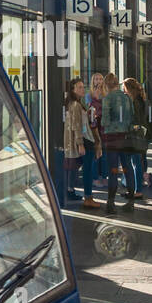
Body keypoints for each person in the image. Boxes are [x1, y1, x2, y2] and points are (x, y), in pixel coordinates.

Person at [100, 73, 137, 214]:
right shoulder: (127, 98)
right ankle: (131, 202)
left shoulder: (107, 99)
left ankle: (111, 203)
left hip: (112, 139)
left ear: (106, 85)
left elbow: (105, 122)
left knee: (113, 170)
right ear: (117, 84)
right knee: (127, 168)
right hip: (126, 138)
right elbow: (132, 116)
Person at [61, 78, 100, 209]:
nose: (83, 89)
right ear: (73, 90)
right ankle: (88, 198)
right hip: (84, 140)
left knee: (86, 169)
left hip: (84, 138)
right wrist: (80, 143)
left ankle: (86, 196)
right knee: (87, 170)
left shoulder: (77, 103)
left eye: (83, 87)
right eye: (79, 87)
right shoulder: (76, 105)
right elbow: (76, 126)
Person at [123, 77, 151, 199]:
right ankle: (135, 190)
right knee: (136, 162)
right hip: (140, 135)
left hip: (133, 135)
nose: (123, 90)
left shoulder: (134, 102)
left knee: (134, 163)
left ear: (128, 88)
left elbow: (134, 119)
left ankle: (136, 190)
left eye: (124, 87)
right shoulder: (141, 99)